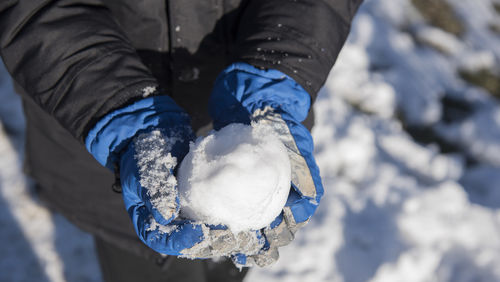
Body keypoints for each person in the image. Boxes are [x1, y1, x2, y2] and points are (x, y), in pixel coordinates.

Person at [0, 0, 363, 281]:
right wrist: (118, 110)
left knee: (229, 265)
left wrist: (278, 68)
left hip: (247, 89)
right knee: (143, 266)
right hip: (98, 127)